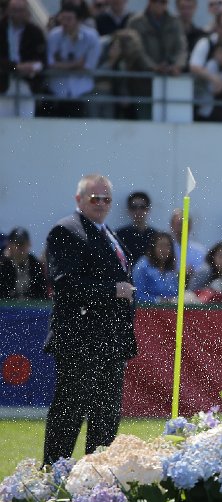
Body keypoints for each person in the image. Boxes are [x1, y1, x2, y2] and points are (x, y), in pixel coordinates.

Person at [42, 173, 137, 466]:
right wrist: (113, 290)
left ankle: (97, 480)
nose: (101, 203)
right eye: (95, 198)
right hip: (80, 341)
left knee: (106, 419)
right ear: (79, 199)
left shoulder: (108, 233)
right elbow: (64, 283)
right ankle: (52, 475)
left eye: (107, 198)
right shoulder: (66, 230)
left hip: (111, 342)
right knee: (68, 415)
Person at [43, 2, 101, 118]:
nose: (65, 23)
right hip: (56, 92)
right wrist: (75, 64)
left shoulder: (92, 37)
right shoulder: (54, 36)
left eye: (69, 19)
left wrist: (61, 65)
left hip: (82, 92)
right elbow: (50, 64)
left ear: (79, 20)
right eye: (63, 18)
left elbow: (89, 67)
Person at [0, 0, 46, 119]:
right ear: (8, 11)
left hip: (27, 82)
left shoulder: (35, 32)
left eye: (21, 10)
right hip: (3, 82)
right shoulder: (1, 29)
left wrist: (32, 67)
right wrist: (15, 67)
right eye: (15, 10)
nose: (18, 14)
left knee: (26, 118)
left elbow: (42, 59)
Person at [127, 0, 187, 76]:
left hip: (170, 76)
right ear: (149, 2)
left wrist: (177, 65)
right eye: (155, 1)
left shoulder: (175, 22)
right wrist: (153, 67)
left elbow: (181, 47)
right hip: (143, 76)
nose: (159, 5)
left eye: (163, 2)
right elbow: (136, 50)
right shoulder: (136, 22)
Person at [0, 227, 49, 300]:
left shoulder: (35, 265)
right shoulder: (4, 265)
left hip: (31, 306)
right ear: (10, 245)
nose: (20, 247)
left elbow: (42, 294)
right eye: (17, 244)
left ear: (29, 244)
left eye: (23, 244)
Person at [132, 231, 179, 302]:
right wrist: (159, 300)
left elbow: (175, 293)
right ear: (153, 247)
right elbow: (137, 294)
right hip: (147, 307)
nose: (164, 250)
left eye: (167, 246)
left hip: (170, 307)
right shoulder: (142, 266)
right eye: (160, 245)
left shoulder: (170, 270)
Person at [116, 191, 157, 260]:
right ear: (129, 210)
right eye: (134, 207)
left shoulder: (156, 237)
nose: (138, 211)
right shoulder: (119, 236)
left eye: (142, 207)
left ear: (148, 209)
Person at [169, 208, 207, 284]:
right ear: (171, 226)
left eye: (184, 224)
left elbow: (203, 273)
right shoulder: (166, 249)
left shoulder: (200, 251)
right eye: (178, 224)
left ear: (190, 227)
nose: (181, 228)